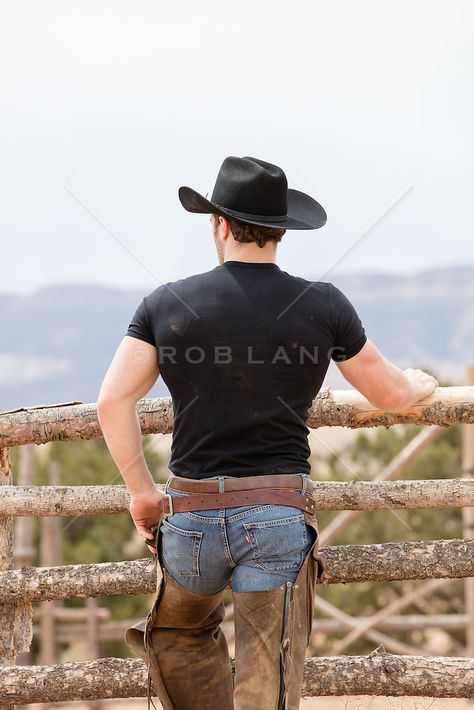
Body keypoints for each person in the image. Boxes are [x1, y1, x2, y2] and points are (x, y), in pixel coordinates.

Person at [97, 156, 439, 709]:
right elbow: (391, 394)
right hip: (279, 517)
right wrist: (421, 384)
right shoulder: (323, 304)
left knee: (179, 636)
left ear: (221, 225)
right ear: (281, 232)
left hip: (191, 519)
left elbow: (112, 401)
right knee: (267, 678)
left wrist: (141, 492)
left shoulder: (165, 304)